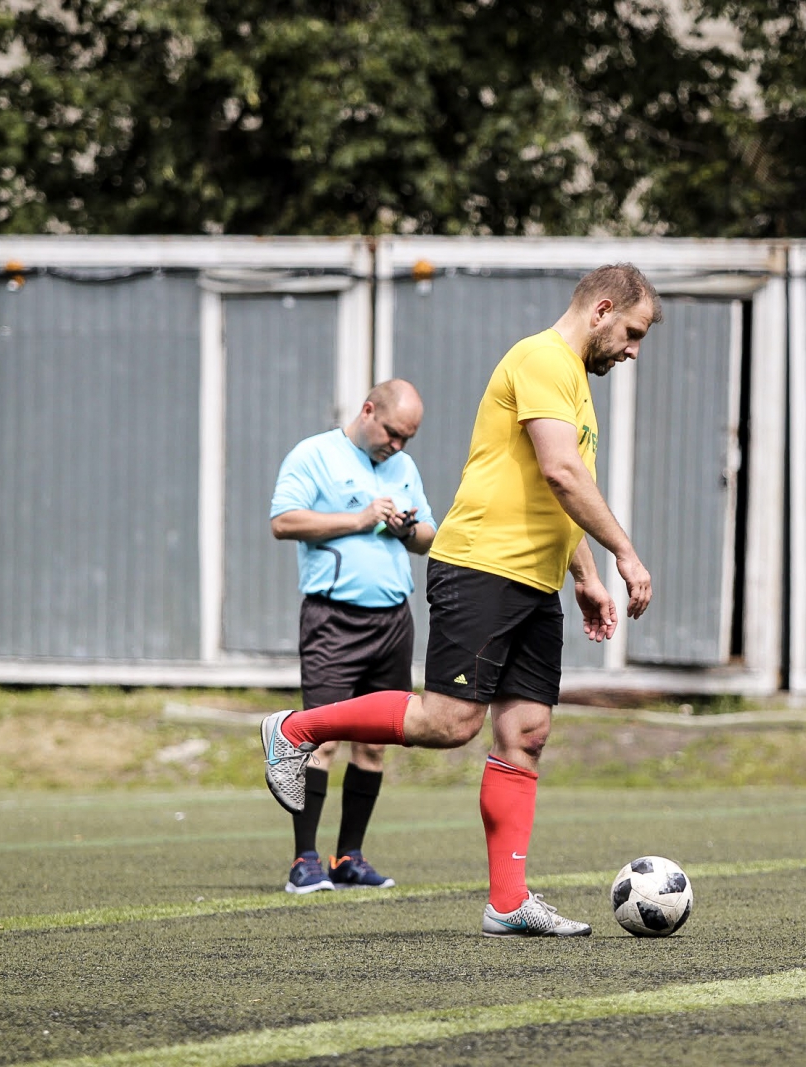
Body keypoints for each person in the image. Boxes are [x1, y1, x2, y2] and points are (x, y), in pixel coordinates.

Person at [259, 263, 659, 936]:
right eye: (633, 332)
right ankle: (296, 730)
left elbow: (559, 489)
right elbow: (562, 471)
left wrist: (583, 574)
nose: (632, 350)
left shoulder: (576, 387)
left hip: (533, 579)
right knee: (450, 722)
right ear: (603, 309)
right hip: (481, 566)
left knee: (526, 733)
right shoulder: (540, 358)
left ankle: (508, 900)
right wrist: (624, 551)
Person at [267, 379, 436, 894]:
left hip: (392, 621)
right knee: (320, 741)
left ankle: (349, 857)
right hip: (333, 622)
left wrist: (406, 527)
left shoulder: (403, 468)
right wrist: (361, 518)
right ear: (367, 411)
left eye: (409, 437)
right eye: (393, 433)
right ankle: (305, 861)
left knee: (374, 746)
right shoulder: (314, 454)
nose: (399, 446)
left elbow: (430, 538)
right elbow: (283, 521)